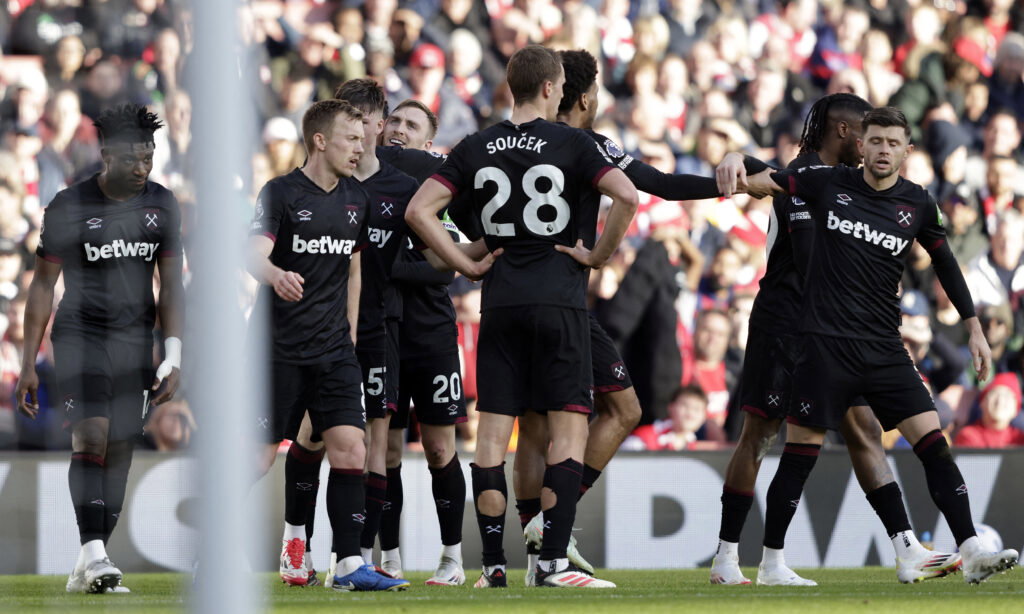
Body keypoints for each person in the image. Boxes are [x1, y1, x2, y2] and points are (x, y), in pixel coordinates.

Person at [738, 106, 1019, 585]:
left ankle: (971, 548)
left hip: (885, 349)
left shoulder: (918, 203)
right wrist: (735, 161)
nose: (883, 150)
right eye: (875, 141)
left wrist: (973, 325)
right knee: (800, 455)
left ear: (907, 151)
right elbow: (768, 179)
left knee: (934, 444)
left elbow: (946, 264)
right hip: (824, 348)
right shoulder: (827, 183)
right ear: (861, 145)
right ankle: (771, 564)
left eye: (893, 143)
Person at [512, 48, 759, 583]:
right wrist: (735, 182)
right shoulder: (589, 144)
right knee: (622, 409)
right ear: (584, 97)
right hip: (565, 299)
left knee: (532, 424)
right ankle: (553, 533)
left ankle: (534, 552)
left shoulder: (509, 142)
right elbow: (660, 186)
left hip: (510, 296)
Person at [406, 44, 638, 589]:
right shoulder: (571, 141)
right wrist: (597, 256)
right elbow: (626, 196)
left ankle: (492, 567)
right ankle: (552, 564)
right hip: (558, 301)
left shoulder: (477, 144)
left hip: (501, 302)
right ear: (553, 87)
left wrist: (467, 263)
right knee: (567, 431)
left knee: (491, 439)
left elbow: (419, 210)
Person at [16, 104, 184, 594]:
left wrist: (173, 354)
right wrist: (28, 362)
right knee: (91, 435)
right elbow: (43, 285)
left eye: (148, 157)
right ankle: (95, 554)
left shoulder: (162, 205)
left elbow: (171, 285)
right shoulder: (69, 205)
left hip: (136, 342)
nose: (141, 167)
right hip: (80, 336)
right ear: (106, 154)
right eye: (131, 158)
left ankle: (88, 560)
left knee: (121, 449)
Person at [247, 98, 408, 592]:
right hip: (277, 349)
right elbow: (253, 252)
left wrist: (351, 332)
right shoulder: (281, 192)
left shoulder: (356, 198)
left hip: (335, 350)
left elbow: (354, 268)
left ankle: (348, 564)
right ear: (320, 141)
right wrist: (275, 274)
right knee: (257, 459)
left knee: (351, 448)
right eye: (351, 138)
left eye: (363, 138)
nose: (361, 147)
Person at [375, 98, 469, 586]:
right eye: (393, 120)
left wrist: (386, 267)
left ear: (428, 143)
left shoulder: (438, 193)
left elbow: (445, 266)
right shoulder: (367, 185)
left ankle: (452, 558)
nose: (398, 129)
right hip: (382, 333)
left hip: (431, 333)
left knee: (439, 449)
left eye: (411, 125)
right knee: (386, 452)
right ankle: (389, 558)